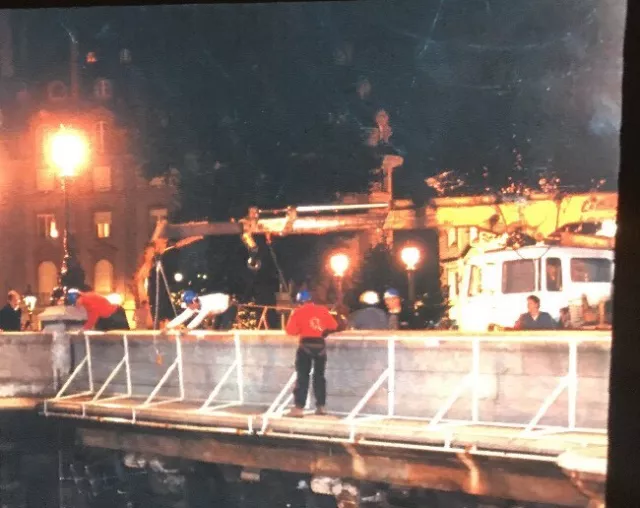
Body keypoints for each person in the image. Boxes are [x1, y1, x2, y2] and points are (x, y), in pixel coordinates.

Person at [285, 290, 338, 418]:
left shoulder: (297, 312)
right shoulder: (322, 310)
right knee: (319, 377)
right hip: (320, 346)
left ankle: (298, 408)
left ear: (299, 302)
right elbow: (333, 325)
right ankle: (321, 406)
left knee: (303, 377)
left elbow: (290, 331)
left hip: (305, 346)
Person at [166, 290, 230, 331]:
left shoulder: (206, 305)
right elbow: (182, 316)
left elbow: (199, 318)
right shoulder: (194, 305)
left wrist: (188, 328)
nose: (189, 307)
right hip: (217, 310)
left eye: (189, 305)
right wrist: (168, 327)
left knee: (223, 329)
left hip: (228, 307)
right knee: (215, 329)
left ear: (194, 302)